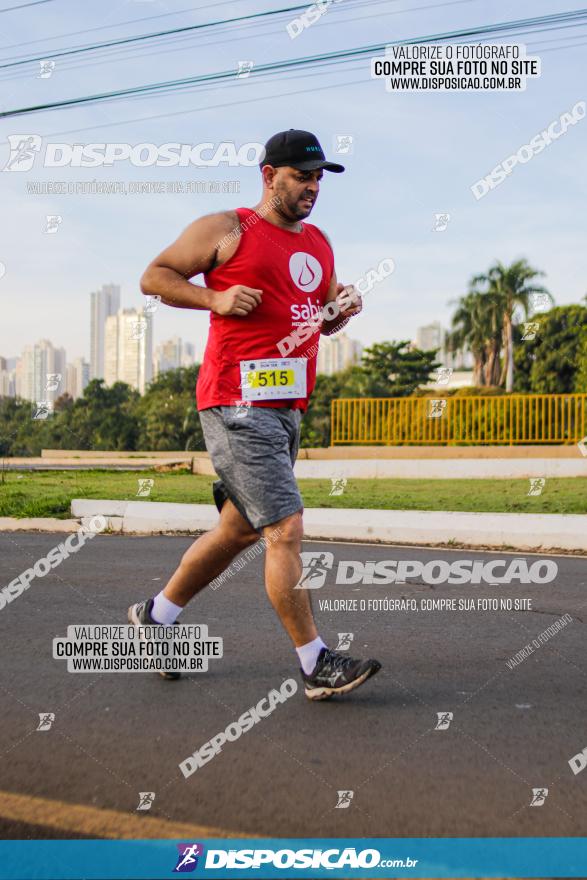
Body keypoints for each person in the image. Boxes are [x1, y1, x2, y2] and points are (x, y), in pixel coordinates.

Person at [128, 129, 381, 700]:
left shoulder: (317, 243)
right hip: (235, 401)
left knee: (240, 527)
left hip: (287, 407)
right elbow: (156, 276)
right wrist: (213, 298)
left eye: (319, 177)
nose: (313, 187)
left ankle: (155, 617)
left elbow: (318, 315)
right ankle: (316, 664)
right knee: (285, 528)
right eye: (301, 175)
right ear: (270, 176)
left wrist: (341, 311)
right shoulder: (228, 228)